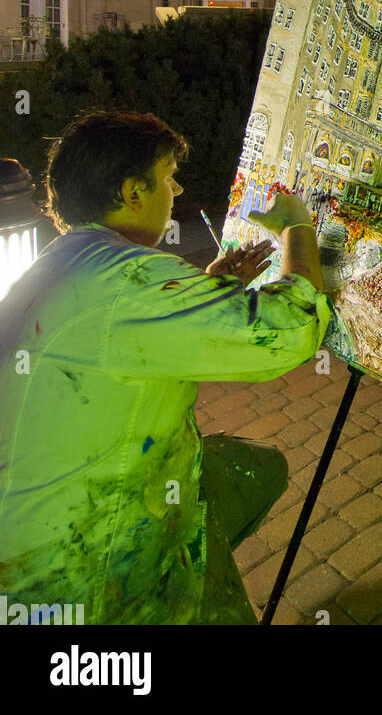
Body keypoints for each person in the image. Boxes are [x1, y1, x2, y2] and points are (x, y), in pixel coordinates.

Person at [0, 111, 329, 625]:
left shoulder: (63, 263)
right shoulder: (126, 279)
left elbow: (126, 332)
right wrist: (299, 227)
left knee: (256, 470)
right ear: (133, 193)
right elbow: (288, 330)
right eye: (166, 178)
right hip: (72, 577)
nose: (175, 191)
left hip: (32, 536)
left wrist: (211, 288)